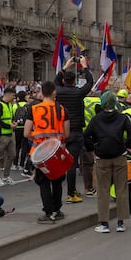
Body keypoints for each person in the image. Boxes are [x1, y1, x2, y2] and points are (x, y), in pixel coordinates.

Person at [84, 90, 131, 233]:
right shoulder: (122, 117)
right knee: (121, 189)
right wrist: (128, 145)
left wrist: (93, 147)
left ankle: (104, 223)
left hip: (102, 157)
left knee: (103, 190)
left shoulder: (96, 119)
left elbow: (86, 136)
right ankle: (120, 222)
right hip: (119, 155)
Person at [23, 81, 70, 224]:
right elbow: (66, 133)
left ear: (42, 93)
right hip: (56, 150)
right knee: (56, 180)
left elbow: (26, 133)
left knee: (43, 181)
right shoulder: (61, 109)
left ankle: (48, 213)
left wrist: (37, 136)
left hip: (40, 151)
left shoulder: (34, 108)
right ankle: (57, 209)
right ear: (54, 92)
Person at [54, 56, 93, 204]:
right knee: (71, 163)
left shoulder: (58, 91)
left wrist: (65, 66)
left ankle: (63, 191)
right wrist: (83, 66)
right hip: (75, 131)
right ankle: (71, 193)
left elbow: (55, 82)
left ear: (64, 80)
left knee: (61, 162)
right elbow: (90, 82)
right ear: (75, 81)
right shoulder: (78, 93)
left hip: (61, 132)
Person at [0, 87, 17, 186]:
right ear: (9, 94)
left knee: (12, 155)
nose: (14, 97)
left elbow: (10, 117)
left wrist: (13, 123)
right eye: (13, 95)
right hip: (2, 135)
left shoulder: (9, 105)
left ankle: (6, 176)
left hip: (10, 133)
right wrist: (9, 125)